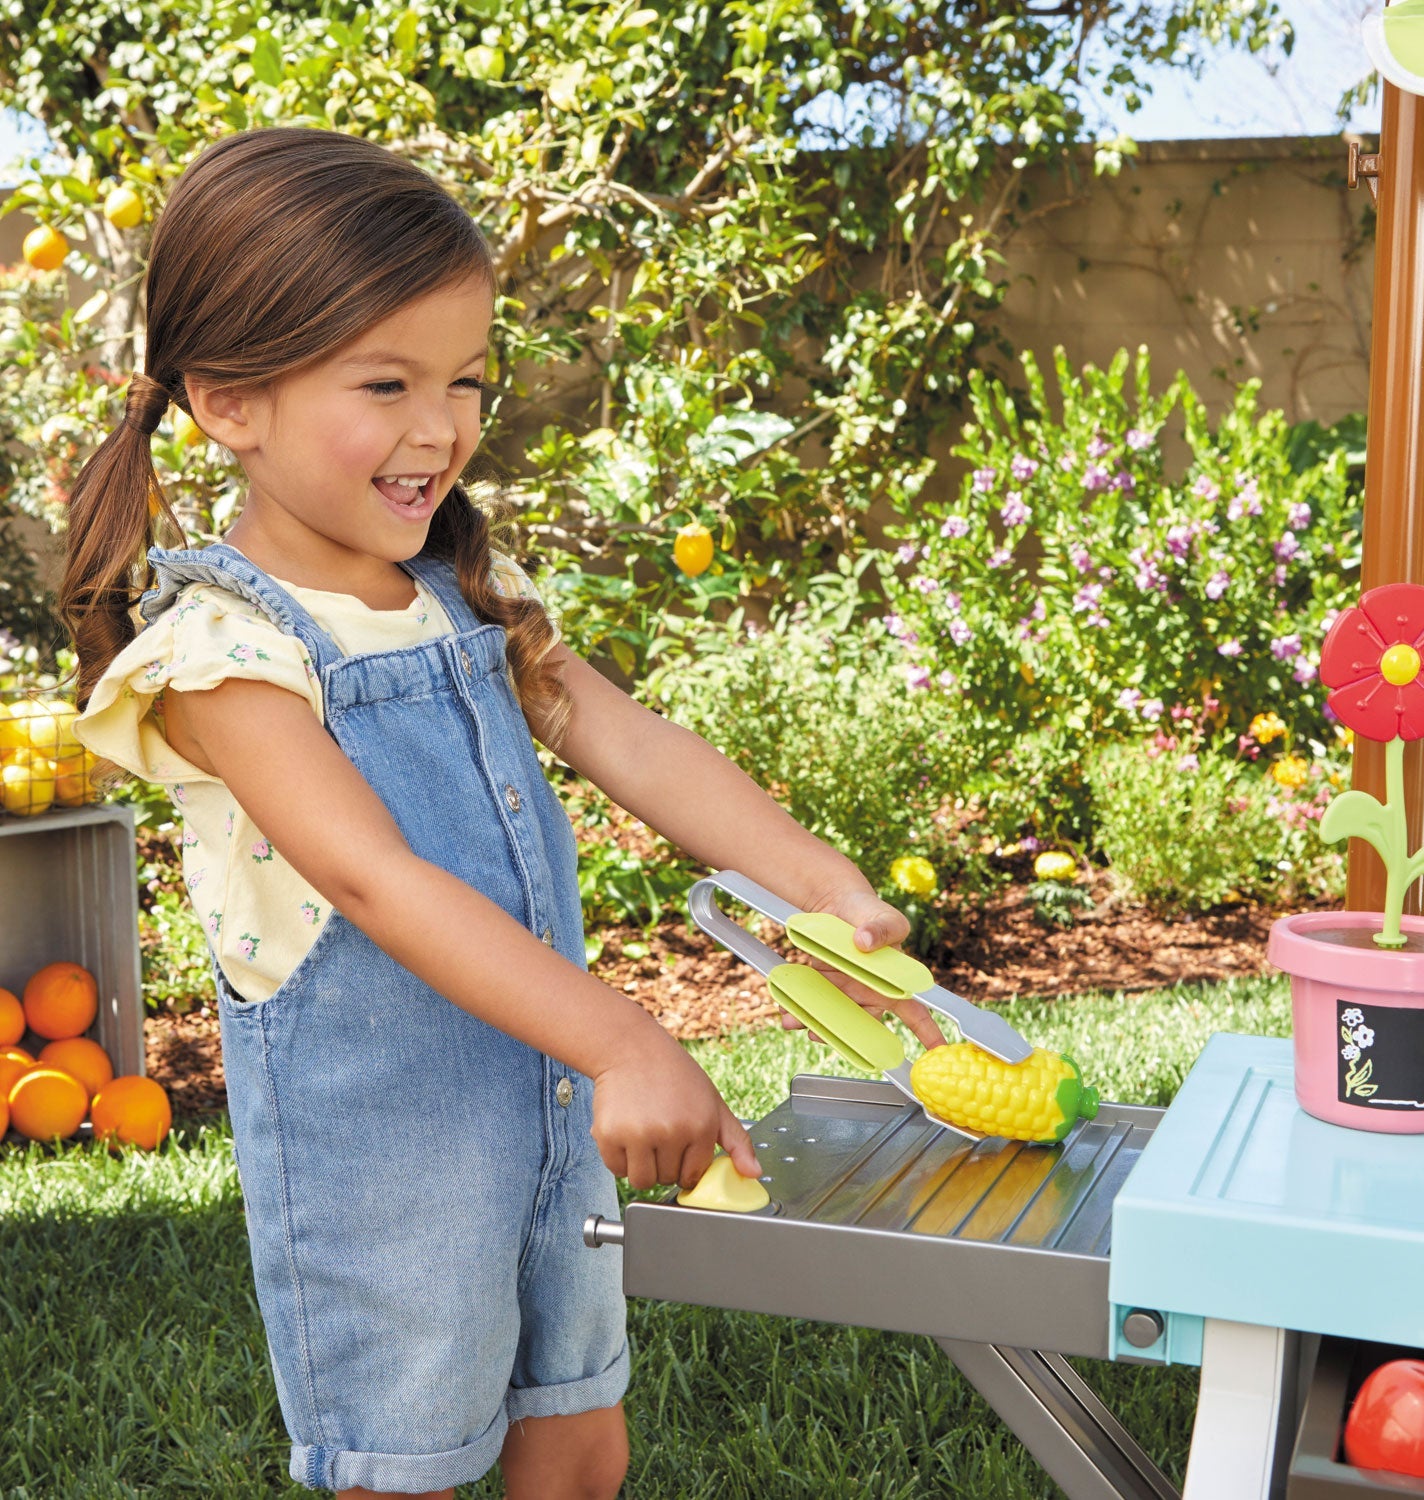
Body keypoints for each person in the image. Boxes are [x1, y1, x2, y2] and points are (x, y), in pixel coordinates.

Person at [62, 127, 941, 1500]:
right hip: (390, 1162)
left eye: (466, 380)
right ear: (230, 400)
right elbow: (375, 882)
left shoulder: (464, 586)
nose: (442, 428)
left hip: (550, 1119)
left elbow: (630, 739)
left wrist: (823, 889)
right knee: (406, 1471)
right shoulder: (221, 653)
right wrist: (627, 1039)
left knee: (581, 1440)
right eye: (387, 382)